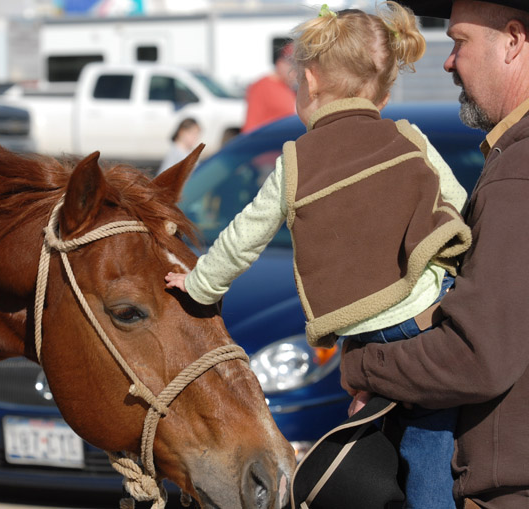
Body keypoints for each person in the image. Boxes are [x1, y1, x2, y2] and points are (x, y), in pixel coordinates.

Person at [165, 3, 473, 508]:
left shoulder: (295, 164)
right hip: (424, 318)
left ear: (308, 82)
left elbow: (243, 237)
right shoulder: (408, 138)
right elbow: (460, 208)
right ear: (386, 91)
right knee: (429, 441)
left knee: (364, 437)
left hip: (366, 332)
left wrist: (199, 285)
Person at [340, 1, 529, 508]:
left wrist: (364, 366)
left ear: (513, 41)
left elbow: (477, 356)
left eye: (459, 41)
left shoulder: (518, 174)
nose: (448, 62)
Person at [241, 40, 297, 133]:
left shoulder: (288, 88)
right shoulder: (262, 86)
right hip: (266, 142)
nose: (295, 73)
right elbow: (251, 125)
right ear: (280, 63)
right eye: (293, 67)